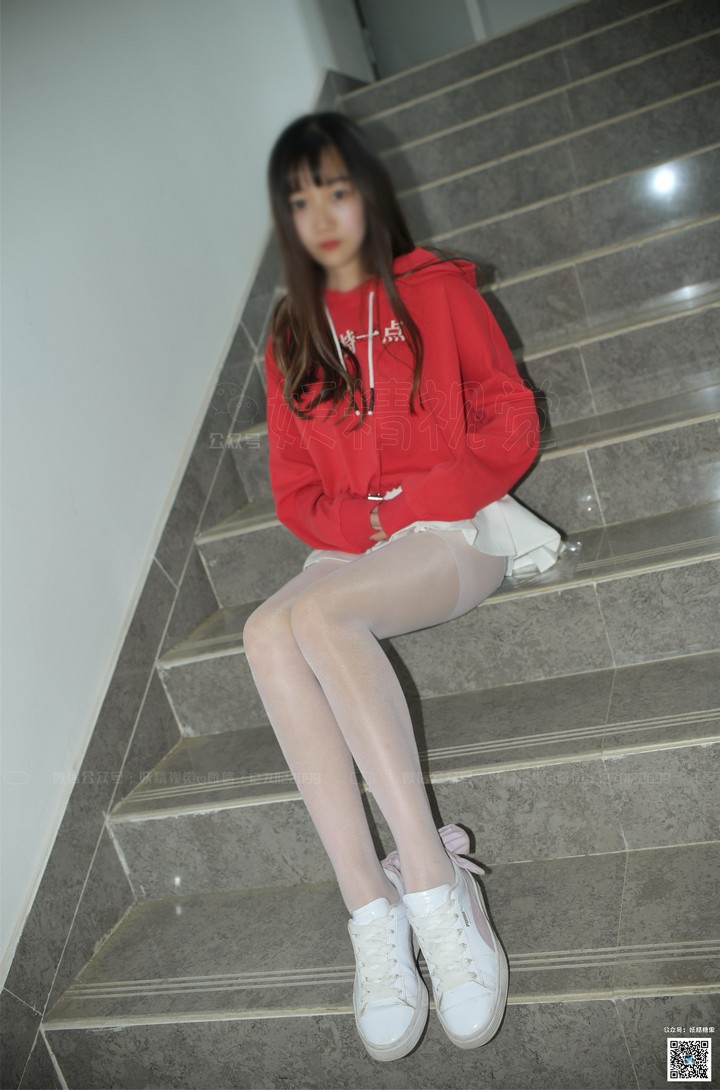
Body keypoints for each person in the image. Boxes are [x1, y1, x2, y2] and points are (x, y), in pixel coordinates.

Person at [243, 111, 561, 1063]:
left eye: (336, 191)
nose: (321, 216)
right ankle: (370, 909)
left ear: (370, 194)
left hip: (455, 527)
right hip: (356, 544)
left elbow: (509, 420)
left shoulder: (436, 290)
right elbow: (293, 489)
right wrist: (364, 527)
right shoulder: (290, 333)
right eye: (299, 201)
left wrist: (416, 504)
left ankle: (432, 883)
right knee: (266, 633)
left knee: (323, 612)